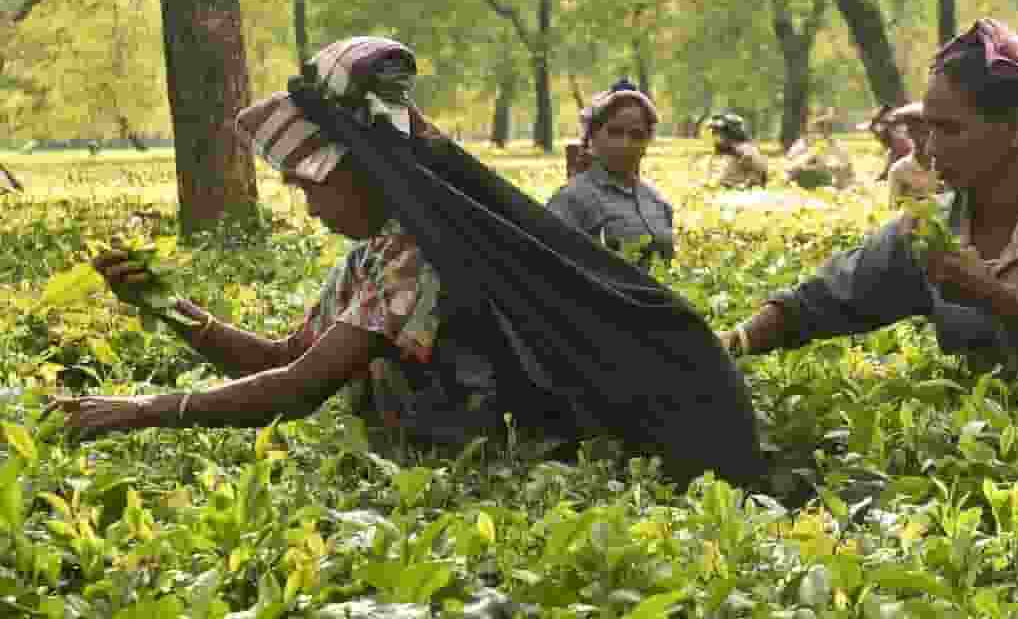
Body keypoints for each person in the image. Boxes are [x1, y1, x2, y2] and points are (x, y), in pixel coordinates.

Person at [49, 44, 766, 485]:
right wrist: (165, 307)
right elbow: (282, 357)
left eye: (310, 186)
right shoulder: (376, 254)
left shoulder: (422, 257)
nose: (308, 206)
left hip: (480, 473)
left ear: (361, 171)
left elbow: (297, 389)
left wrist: (142, 410)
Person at [720, 18, 1018, 388]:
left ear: (1012, 129)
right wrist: (729, 344)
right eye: (928, 129)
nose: (931, 148)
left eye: (950, 129)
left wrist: (993, 297)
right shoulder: (929, 231)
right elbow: (819, 301)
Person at [547, 78, 674, 268]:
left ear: (647, 142)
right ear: (593, 136)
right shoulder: (571, 200)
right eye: (615, 132)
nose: (625, 144)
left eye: (637, 135)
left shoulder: (658, 203)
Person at [708, 112, 768, 189]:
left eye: (718, 131)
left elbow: (758, 170)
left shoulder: (744, 149)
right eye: (714, 132)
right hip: (730, 183)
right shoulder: (725, 148)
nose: (715, 136)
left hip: (745, 185)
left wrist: (747, 183)